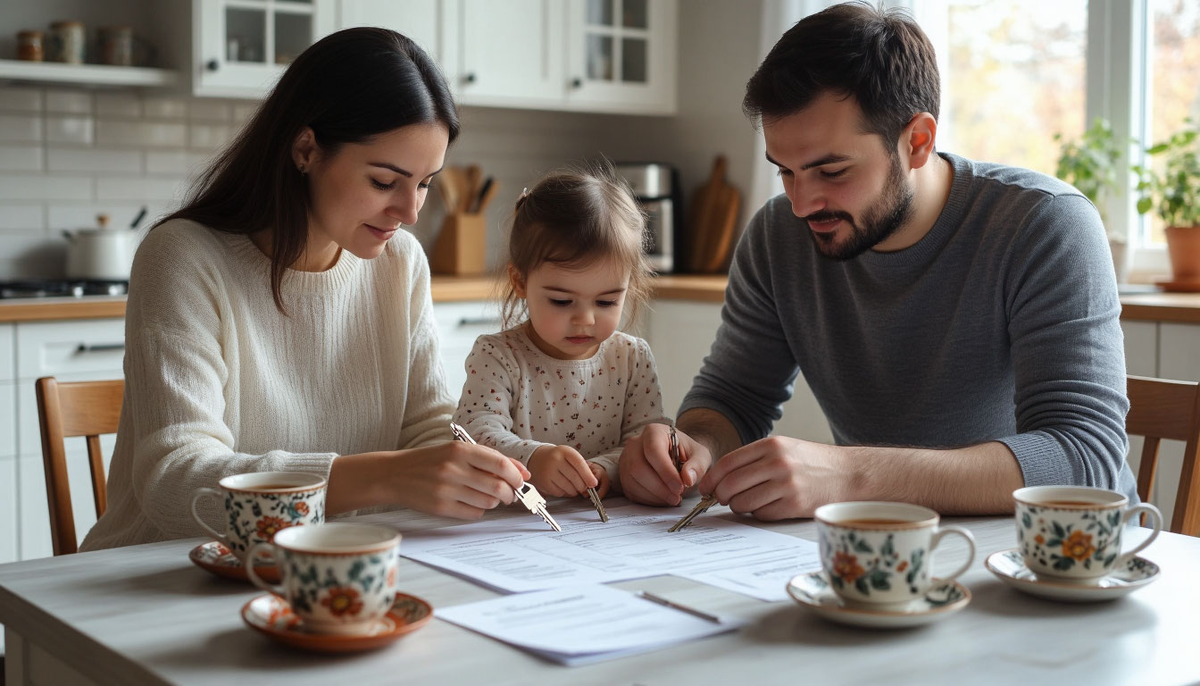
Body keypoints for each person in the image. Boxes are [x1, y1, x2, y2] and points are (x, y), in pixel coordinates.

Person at [618, 2, 1132, 520]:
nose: (801, 204)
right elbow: (734, 399)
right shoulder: (778, 237)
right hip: (887, 546)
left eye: (832, 171)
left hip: (1062, 550)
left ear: (917, 142)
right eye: (785, 172)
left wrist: (850, 476)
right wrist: (693, 449)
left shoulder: (1044, 225)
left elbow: (1083, 458)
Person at [82, 28, 530, 551]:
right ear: (305, 150)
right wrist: (385, 477)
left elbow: (427, 430)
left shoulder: (401, 262)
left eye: (425, 183)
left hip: (333, 563)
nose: (410, 212)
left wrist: (502, 462)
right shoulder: (184, 257)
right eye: (384, 182)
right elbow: (176, 483)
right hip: (162, 570)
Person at [453, 164, 669, 500]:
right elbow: (473, 433)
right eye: (562, 301)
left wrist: (606, 468)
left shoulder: (632, 358)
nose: (585, 319)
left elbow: (645, 440)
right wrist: (534, 459)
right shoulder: (497, 356)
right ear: (520, 281)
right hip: (515, 520)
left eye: (607, 301)